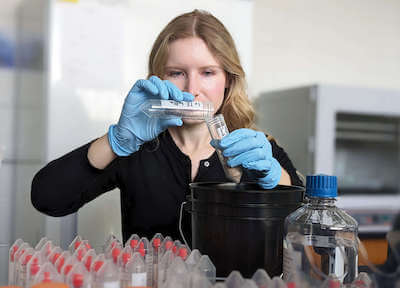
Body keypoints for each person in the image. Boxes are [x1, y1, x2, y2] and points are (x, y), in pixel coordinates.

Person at [31, 10, 303, 243]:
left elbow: (300, 232)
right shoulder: (137, 147)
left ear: (228, 80)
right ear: (157, 79)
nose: (192, 89)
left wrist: (273, 180)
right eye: (177, 73)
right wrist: (116, 141)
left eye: (207, 72)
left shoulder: (258, 150)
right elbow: (47, 198)